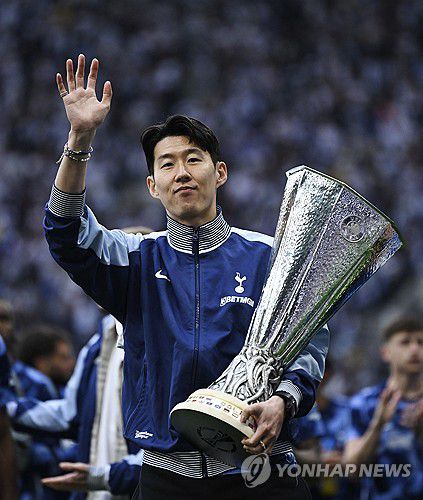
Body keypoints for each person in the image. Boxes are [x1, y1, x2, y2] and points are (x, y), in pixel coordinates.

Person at [45, 54, 329, 499]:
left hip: (262, 469)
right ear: (152, 186)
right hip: (166, 475)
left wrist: (285, 400)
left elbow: (308, 344)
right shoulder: (135, 259)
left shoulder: (270, 256)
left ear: (220, 173)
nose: (181, 173)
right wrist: (79, 139)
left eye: (193, 159)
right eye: (167, 164)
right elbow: (64, 233)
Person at [3, 313, 144, 500]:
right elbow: (70, 414)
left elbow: (165, 451)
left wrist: (106, 476)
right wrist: (8, 408)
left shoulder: (159, 335)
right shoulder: (97, 342)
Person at [344, 317, 423, 499]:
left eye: (421, 342)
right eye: (405, 342)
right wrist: (378, 426)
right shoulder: (364, 403)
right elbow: (351, 470)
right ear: (386, 352)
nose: (415, 349)